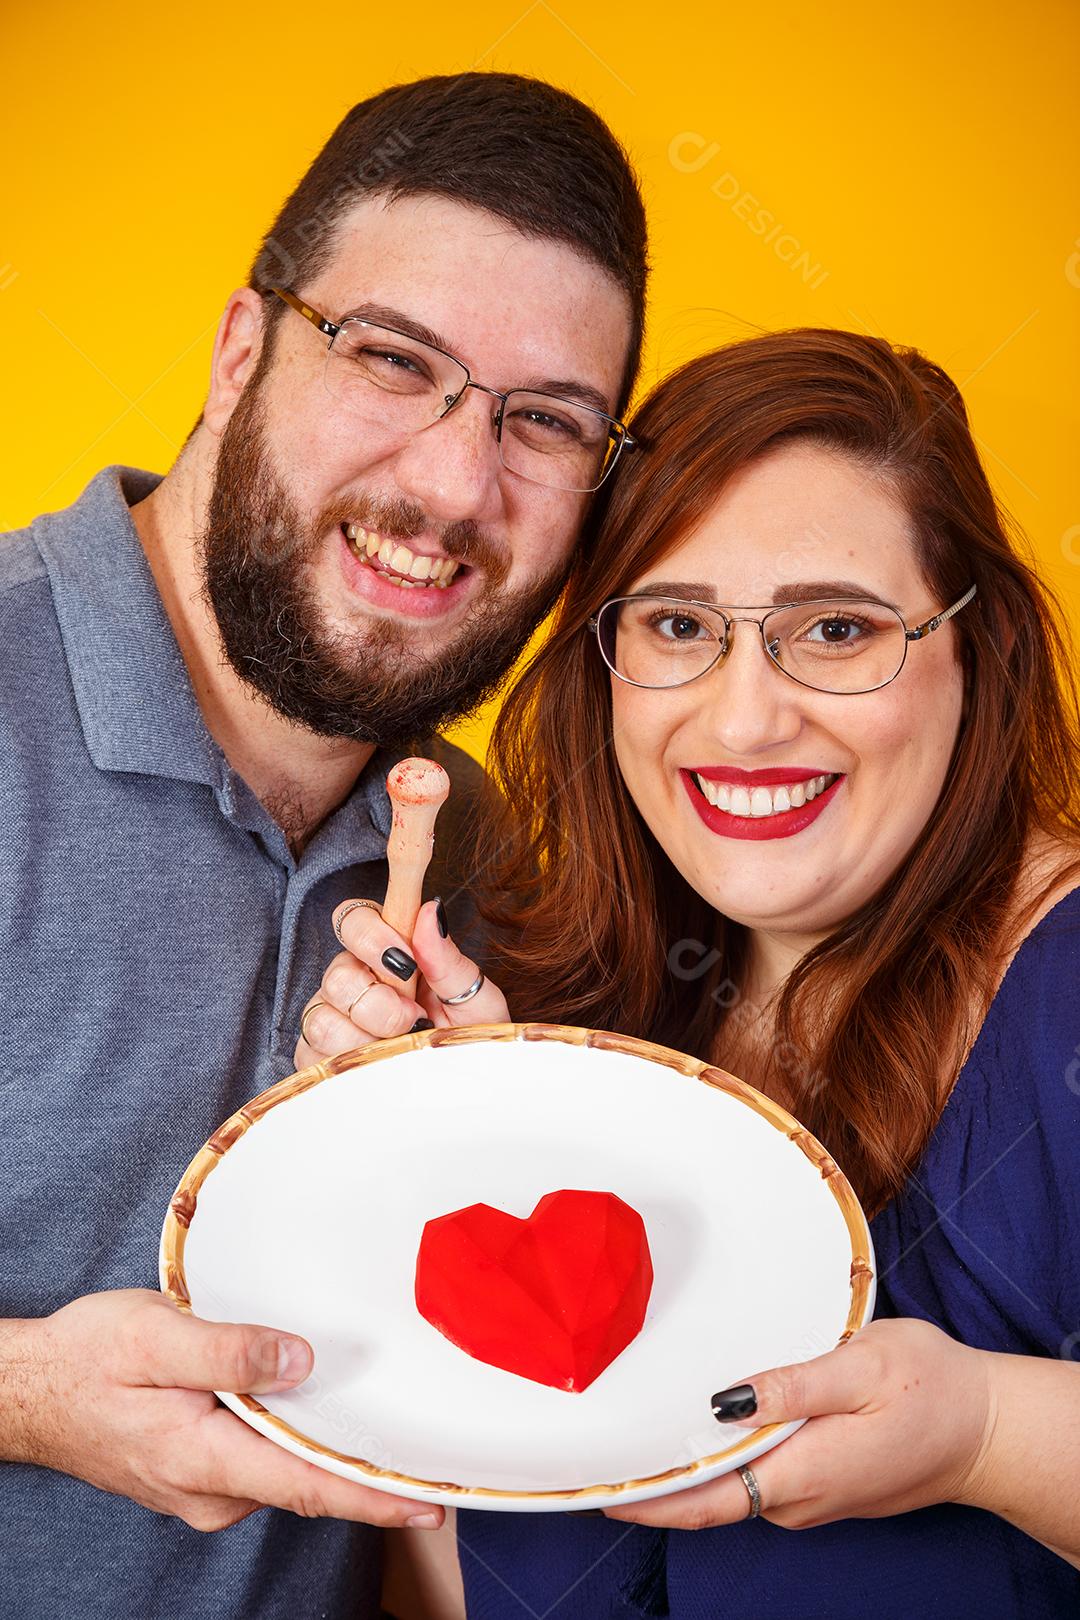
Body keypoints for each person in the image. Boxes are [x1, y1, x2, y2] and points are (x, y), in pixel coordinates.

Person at [0, 71, 647, 1620]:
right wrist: (24, 1394)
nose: (449, 485)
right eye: (391, 358)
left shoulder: (473, 851)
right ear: (239, 354)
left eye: (545, 422)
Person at [308, 328, 1080, 1617]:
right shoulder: (573, 1003)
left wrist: (986, 1435)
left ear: (979, 648)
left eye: (834, 629)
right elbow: (476, 1570)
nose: (741, 719)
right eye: (677, 625)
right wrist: (433, 1170)